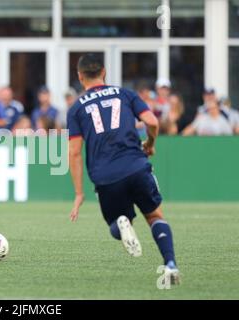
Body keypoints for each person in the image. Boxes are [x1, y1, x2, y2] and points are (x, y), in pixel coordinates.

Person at [67, 54, 180, 284]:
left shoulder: (76, 108)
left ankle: (122, 223)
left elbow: (75, 152)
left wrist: (79, 194)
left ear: (80, 77)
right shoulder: (126, 94)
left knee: (116, 224)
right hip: (135, 165)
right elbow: (152, 122)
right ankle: (169, 264)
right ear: (104, 72)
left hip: (105, 175)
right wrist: (150, 143)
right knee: (155, 215)